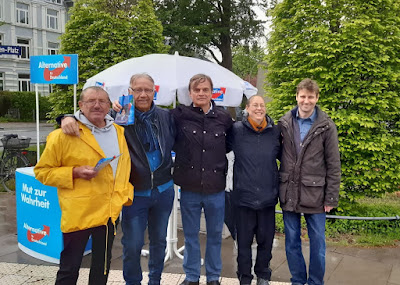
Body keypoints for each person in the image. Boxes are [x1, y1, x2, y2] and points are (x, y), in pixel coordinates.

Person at [60, 73, 176, 285]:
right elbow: (89, 116)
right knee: (132, 244)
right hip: (134, 192)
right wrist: (66, 117)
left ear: (154, 91)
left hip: (164, 189)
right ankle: (133, 282)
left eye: (147, 90)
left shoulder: (166, 116)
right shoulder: (119, 114)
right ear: (129, 91)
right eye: (137, 89)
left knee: (159, 242)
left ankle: (155, 281)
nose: (142, 94)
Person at [34, 86, 133, 285]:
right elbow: (42, 172)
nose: (97, 105)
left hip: (108, 213)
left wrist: (123, 195)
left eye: (102, 101)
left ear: (109, 105)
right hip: (79, 212)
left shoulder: (118, 131)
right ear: (80, 105)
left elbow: (122, 168)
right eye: (91, 101)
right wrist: (74, 172)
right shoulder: (62, 135)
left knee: (101, 269)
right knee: (69, 269)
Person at [171, 74, 234, 285]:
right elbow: (152, 118)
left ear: (211, 92)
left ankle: (214, 277)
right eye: (196, 90)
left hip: (216, 188)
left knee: (215, 236)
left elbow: (231, 144)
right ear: (190, 93)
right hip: (189, 189)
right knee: (190, 235)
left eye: (205, 89)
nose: (201, 93)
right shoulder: (179, 115)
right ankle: (191, 277)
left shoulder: (224, 118)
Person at [278, 78, 341, 285]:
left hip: (316, 195)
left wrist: (331, 197)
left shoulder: (326, 126)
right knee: (292, 243)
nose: (306, 101)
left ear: (317, 98)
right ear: (297, 97)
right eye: (303, 96)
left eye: (310, 97)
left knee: (318, 244)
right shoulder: (284, 123)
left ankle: (315, 282)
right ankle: (297, 280)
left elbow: (333, 164)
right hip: (289, 192)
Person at [227, 95, 281, 285]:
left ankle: (263, 275)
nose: (259, 108)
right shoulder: (236, 131)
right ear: (247, 109)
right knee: (243, 243)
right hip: (243, 197)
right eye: (255, 105)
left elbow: (284, 158)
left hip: (267, 197)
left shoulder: (275, 132)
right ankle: (244, 276)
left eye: (262, 105)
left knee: (266, 242)